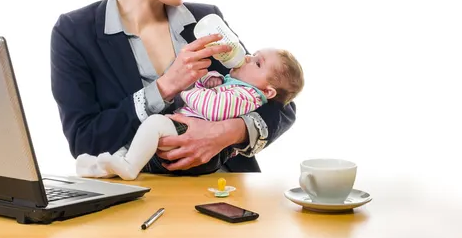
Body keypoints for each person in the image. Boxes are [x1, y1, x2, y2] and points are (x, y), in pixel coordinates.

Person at [50, 0, 298, 176]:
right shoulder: (75, 33)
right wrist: (163, 87)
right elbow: (85, 141)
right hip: (138, 196)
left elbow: (280, 99)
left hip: (222, 191)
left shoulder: (206, 20)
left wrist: (226, 132)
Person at [75, 49, 304, 180]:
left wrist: (188, 91)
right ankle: (102, 168)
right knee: (135, 139)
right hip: (172, 147)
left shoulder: (247, 95)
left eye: (256, 62)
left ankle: (128, 167)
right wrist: (208, 80)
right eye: (254, 54)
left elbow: (283, 107)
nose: (246, 56)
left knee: (155, 123)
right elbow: (84, 134)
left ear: (267, 91)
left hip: (203, 159)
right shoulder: (238, 83)